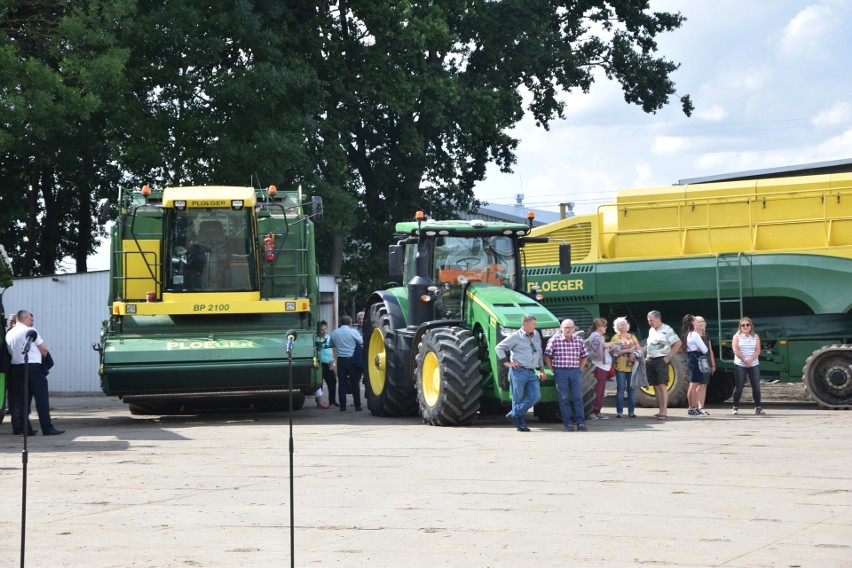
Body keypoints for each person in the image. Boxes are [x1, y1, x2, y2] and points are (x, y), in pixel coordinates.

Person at [4, 310, 64, 435]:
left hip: (16, 368)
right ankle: (47, 428)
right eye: (30, 319)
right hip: (33, 368)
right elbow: (44, 349)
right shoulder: (30, 331)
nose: (32, 322)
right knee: (41, 398)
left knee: (22, 400)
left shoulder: (9, 333)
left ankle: (26, 428)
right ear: (23, 318)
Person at [495, 314, 546, 432]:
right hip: (518, 371)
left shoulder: (536, 334)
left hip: (532, 372)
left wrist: (542, 369)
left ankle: (513, 413)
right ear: (525, 324)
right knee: (517, 398)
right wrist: (507, 363)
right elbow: (499, 348)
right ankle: (520, 424)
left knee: (536, 396)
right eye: (533, 324)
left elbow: (539, 351)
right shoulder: (515, 336)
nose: (535, 326)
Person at [544, 319, 589, 431]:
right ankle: (568, 423)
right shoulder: (554, 340)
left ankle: (581, 423)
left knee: (578, 397)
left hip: (575, 371)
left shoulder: (579, 341)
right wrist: (553, 370)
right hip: (561, 371)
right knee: (563, 398)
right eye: (565, 327)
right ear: (561, 328)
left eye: (570, 327)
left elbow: (584, 356)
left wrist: (579, 369)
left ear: (574, 328)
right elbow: (547, 356)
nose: (567, 329)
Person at [645, 310, 682, 421]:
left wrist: (669, 357)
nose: (649, 323)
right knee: (655, 386)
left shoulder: (667, 329)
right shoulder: (651, 330)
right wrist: (646, 355)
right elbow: (650, 344)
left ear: (658, 318)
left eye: (651, 320)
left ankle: (664, 411)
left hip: (661, 360)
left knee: (662, 385)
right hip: (650, 360)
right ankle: (660, 410)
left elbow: (678, 343)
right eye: (648, 321)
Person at [330, 315, 364, 412]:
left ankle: (343, 406)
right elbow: (361, 341)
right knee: (355, 383)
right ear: (350, 323)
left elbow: (331, 344)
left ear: (340, 323)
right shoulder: (353, 332)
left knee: (342, 384)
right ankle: (357, 405)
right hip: (352, 360)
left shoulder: (334, 332)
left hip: (341, 360)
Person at [732, 316, 765, 415]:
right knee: (739, 386)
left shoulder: (755, 336)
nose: (745, 327)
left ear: (751, 326)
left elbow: (758, 350)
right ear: (740, 327)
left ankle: (758, 407)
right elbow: (735, 350)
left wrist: (751, 359)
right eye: (743, 325)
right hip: (740, 364)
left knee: (756, 386)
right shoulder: (736, 336)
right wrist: (744, 359)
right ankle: (735, 407)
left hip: (753, 364)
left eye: (747, 325)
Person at [610, 316, 639, 418]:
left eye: (623, 324)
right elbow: (615, 353)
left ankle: (631, 412)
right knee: (621, 389)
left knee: (631, 390)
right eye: (619, 324)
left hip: (632, 367)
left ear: (627, 325)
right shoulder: (616, 338)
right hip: (620, 367)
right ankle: (619, 412)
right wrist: (628, 350)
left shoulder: (632, 337)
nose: (622, 326)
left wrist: (634, 354)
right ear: (616, 327)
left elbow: (639, 349)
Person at [587, 318, 615, 419]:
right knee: (598, 390)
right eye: (604, 326)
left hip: (602, 367)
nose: (605, 328)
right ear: (599, 327)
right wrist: (613, 343)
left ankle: (597, 411)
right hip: (599, 367)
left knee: (600, 390)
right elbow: (602, 346)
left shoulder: (597, 336)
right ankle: (594, 411)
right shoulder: (596, 336)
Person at [682, 314, 710, 417]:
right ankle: (692, 408)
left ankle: (693, 407)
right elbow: (705, 349)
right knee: (693, 385)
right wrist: (700, 349)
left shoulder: (688, 334)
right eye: (695, 320)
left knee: (693, 384)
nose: (698, 322)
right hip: (696, 360)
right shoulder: (694, 334)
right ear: (692, 322)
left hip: (691, 359)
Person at [693, 315, 716, 414]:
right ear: (694, 323)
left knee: (704, 384)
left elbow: (710, 350)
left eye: (702, 321)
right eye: (699, 322)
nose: (701, 323)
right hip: (697, 361)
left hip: (706, 362)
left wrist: (713, 364)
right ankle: (696, 407)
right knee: (698, 384)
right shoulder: (693, 335)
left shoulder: (706, 335)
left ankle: (701, 407)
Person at [318, 320, 337, 407]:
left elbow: (333, 350)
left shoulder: (329, 338)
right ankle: (319, 402)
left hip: (329, 363)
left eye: (325, 329)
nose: (324, 331)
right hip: (320, 363)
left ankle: (332, 401)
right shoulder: (316, 339)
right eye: (322, 329)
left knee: (332, 381)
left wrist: (333, 362)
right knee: (319, 383)